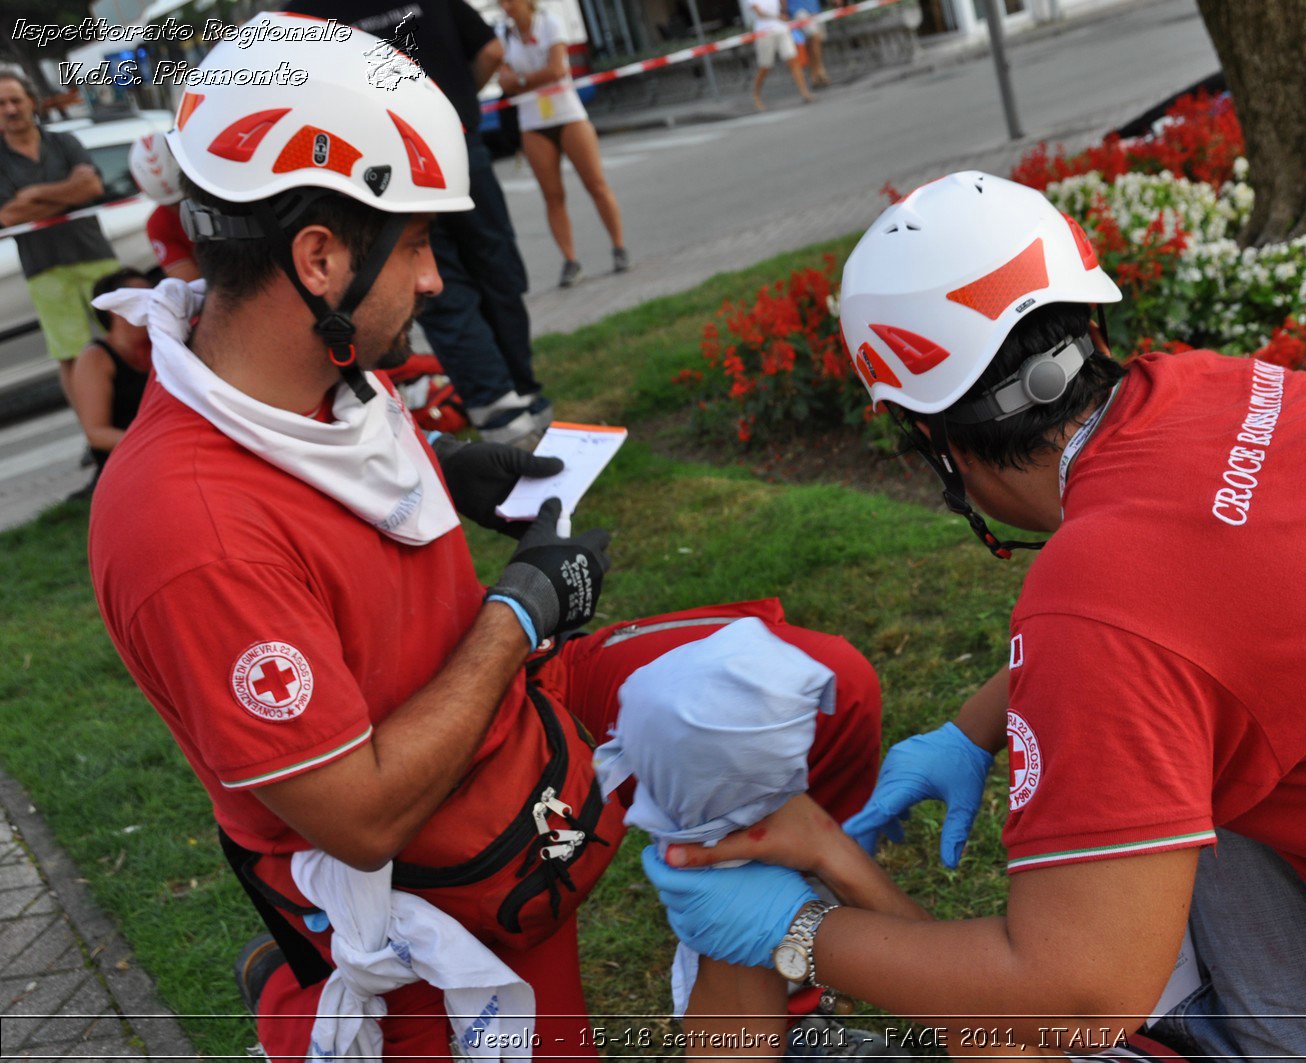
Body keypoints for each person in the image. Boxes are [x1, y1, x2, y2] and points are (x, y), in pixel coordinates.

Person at [642, 172, 1306, 1060]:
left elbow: (1079, 992)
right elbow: (1197, 612)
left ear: (933, 441)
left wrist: (801, 933)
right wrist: (971, 729)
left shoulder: (1098, 602)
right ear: (1089, 330)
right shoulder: (1212, 388)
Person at [88, 17, 882, 1060]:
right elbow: (360, 814)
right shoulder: (186, 525)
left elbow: (345, 460)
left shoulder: (301, 364)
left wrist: (452, 471)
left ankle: (779, 995)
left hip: (509, 720)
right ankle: (301, 987)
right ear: (317, 257)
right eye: (415, 244)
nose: (430, 280)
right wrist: (519, 614)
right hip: (423, 857)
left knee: (818, 693)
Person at [284, 0, 556, 449]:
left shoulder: (305, 10)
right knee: (494, 265)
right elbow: (489, 51)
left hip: (384, 167)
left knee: (439, 287)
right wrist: (454, 105)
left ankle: (502, 411)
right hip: (456, 146)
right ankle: (523, 393)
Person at [0, 69, 119, 418]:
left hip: (93, 254)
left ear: (31, 102)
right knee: (72, 354)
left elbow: (93, 189)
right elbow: (8, 216)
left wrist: (34, 195)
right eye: (1, 103)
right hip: (44, 266)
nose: (10, 109)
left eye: (16, 100)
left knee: (125, 335)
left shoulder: (65, 142)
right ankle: (93, 428)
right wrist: (70, 191)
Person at [496, 0, 629, 289]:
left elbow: (557, 70)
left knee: (595, 184)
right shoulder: (503, 33)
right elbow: (504, 83)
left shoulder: (549, 24)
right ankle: (570, 260)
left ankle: (618, 247)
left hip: (568, 115)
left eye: (509, 1)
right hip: (533, 122)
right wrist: (526, 80)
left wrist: (521, 80)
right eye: (501, 2)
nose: (505, 7)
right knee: (552, 196)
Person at [75, 267, 151, 485]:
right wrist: (154, 443)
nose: (155, 303)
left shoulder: (164, 343)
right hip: (128, 465)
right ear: (115, 309)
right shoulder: (96, 358)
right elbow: (97, 433)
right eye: (143, 298)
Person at [128, 133, 199, 283]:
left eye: (187, 199)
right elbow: (190, 284)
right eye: (173, 205)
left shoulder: (228, 195)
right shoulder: (159, 224)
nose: (183, 210)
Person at [749, 0, 813, 111]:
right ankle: (756, 96)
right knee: (765, 66)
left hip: (781, 28)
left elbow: (782, 4)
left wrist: (784, 12)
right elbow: (759, 12)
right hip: (764, 32)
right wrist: (778, 16)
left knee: (793, 61)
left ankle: (805, 92)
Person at [787, 0, 830, 88]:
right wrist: (784, 11)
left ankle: (815, 74)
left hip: (814, 8)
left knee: (813, 43)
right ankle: (819, 71)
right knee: (814, 36)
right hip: (798, 9)